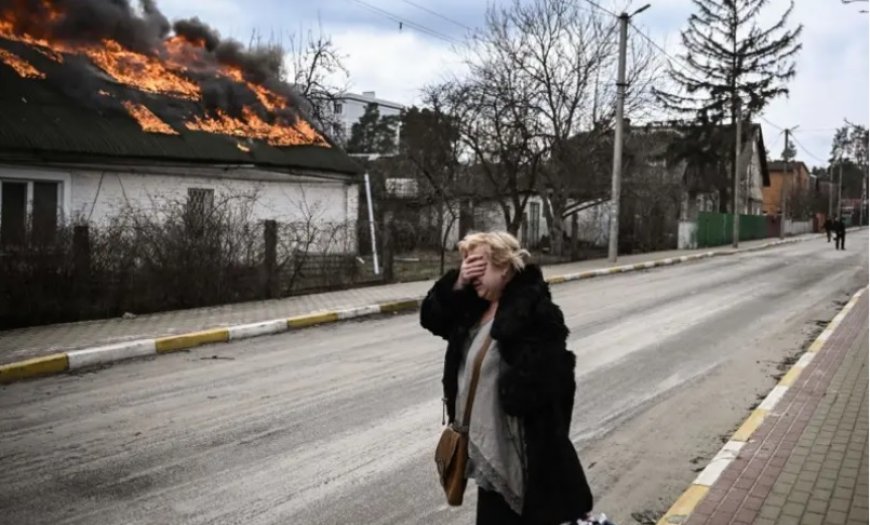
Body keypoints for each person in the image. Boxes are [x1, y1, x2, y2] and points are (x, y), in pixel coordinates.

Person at [420, 231, 593, 525]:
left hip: (520, 454)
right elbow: (431, 318)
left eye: (479, 264)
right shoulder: (473, 308)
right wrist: (458, 282)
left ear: (505, 266)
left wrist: (518, 387)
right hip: (488, 453)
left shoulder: (534, 311)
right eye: (466, 263)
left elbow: (557, 383)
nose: (471, 271)